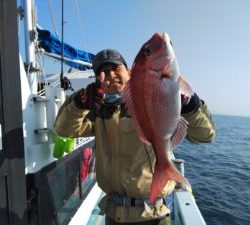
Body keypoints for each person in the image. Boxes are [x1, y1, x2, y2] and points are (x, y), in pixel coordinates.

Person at [54, 49, 216, 225]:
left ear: (130, 72)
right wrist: (79, 102)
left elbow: (205, 135)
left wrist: (189, 104)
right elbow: (64, 130)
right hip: (113, 215)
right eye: (104, 71)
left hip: (153, 215)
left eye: (116, 68)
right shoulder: (97, 111)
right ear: (97, 79)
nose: (111, 74)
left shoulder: (148, 100)